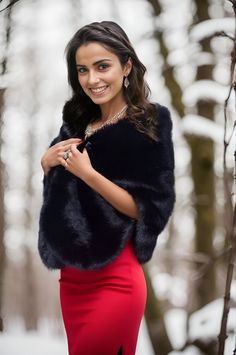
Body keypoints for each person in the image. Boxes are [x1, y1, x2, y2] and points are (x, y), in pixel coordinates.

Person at [38, 21, 175, 355]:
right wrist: (46, 167)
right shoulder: (75, 122)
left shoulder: (150, 123)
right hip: (71, 282)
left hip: (116, 277)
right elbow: (63, 204)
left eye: (103, 66)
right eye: (82, 70)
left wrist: (89, 174)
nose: (92, 79)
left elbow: (147, 209)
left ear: (126, 65)